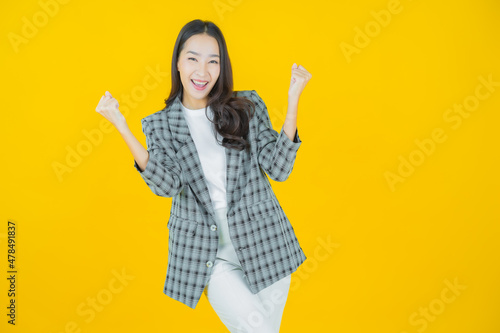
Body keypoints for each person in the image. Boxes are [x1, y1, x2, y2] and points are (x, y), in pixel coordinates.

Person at [95, 19, 312, 333]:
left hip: (266, 243)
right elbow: (168, 186)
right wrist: (121, 126)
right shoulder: (160, 124)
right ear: (179, 63)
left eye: (214, 61)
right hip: (208, 251)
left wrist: (293, 101)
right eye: (193, 58)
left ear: (222, 67)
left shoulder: (246, 106)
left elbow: (278, 169)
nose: (203, 70)